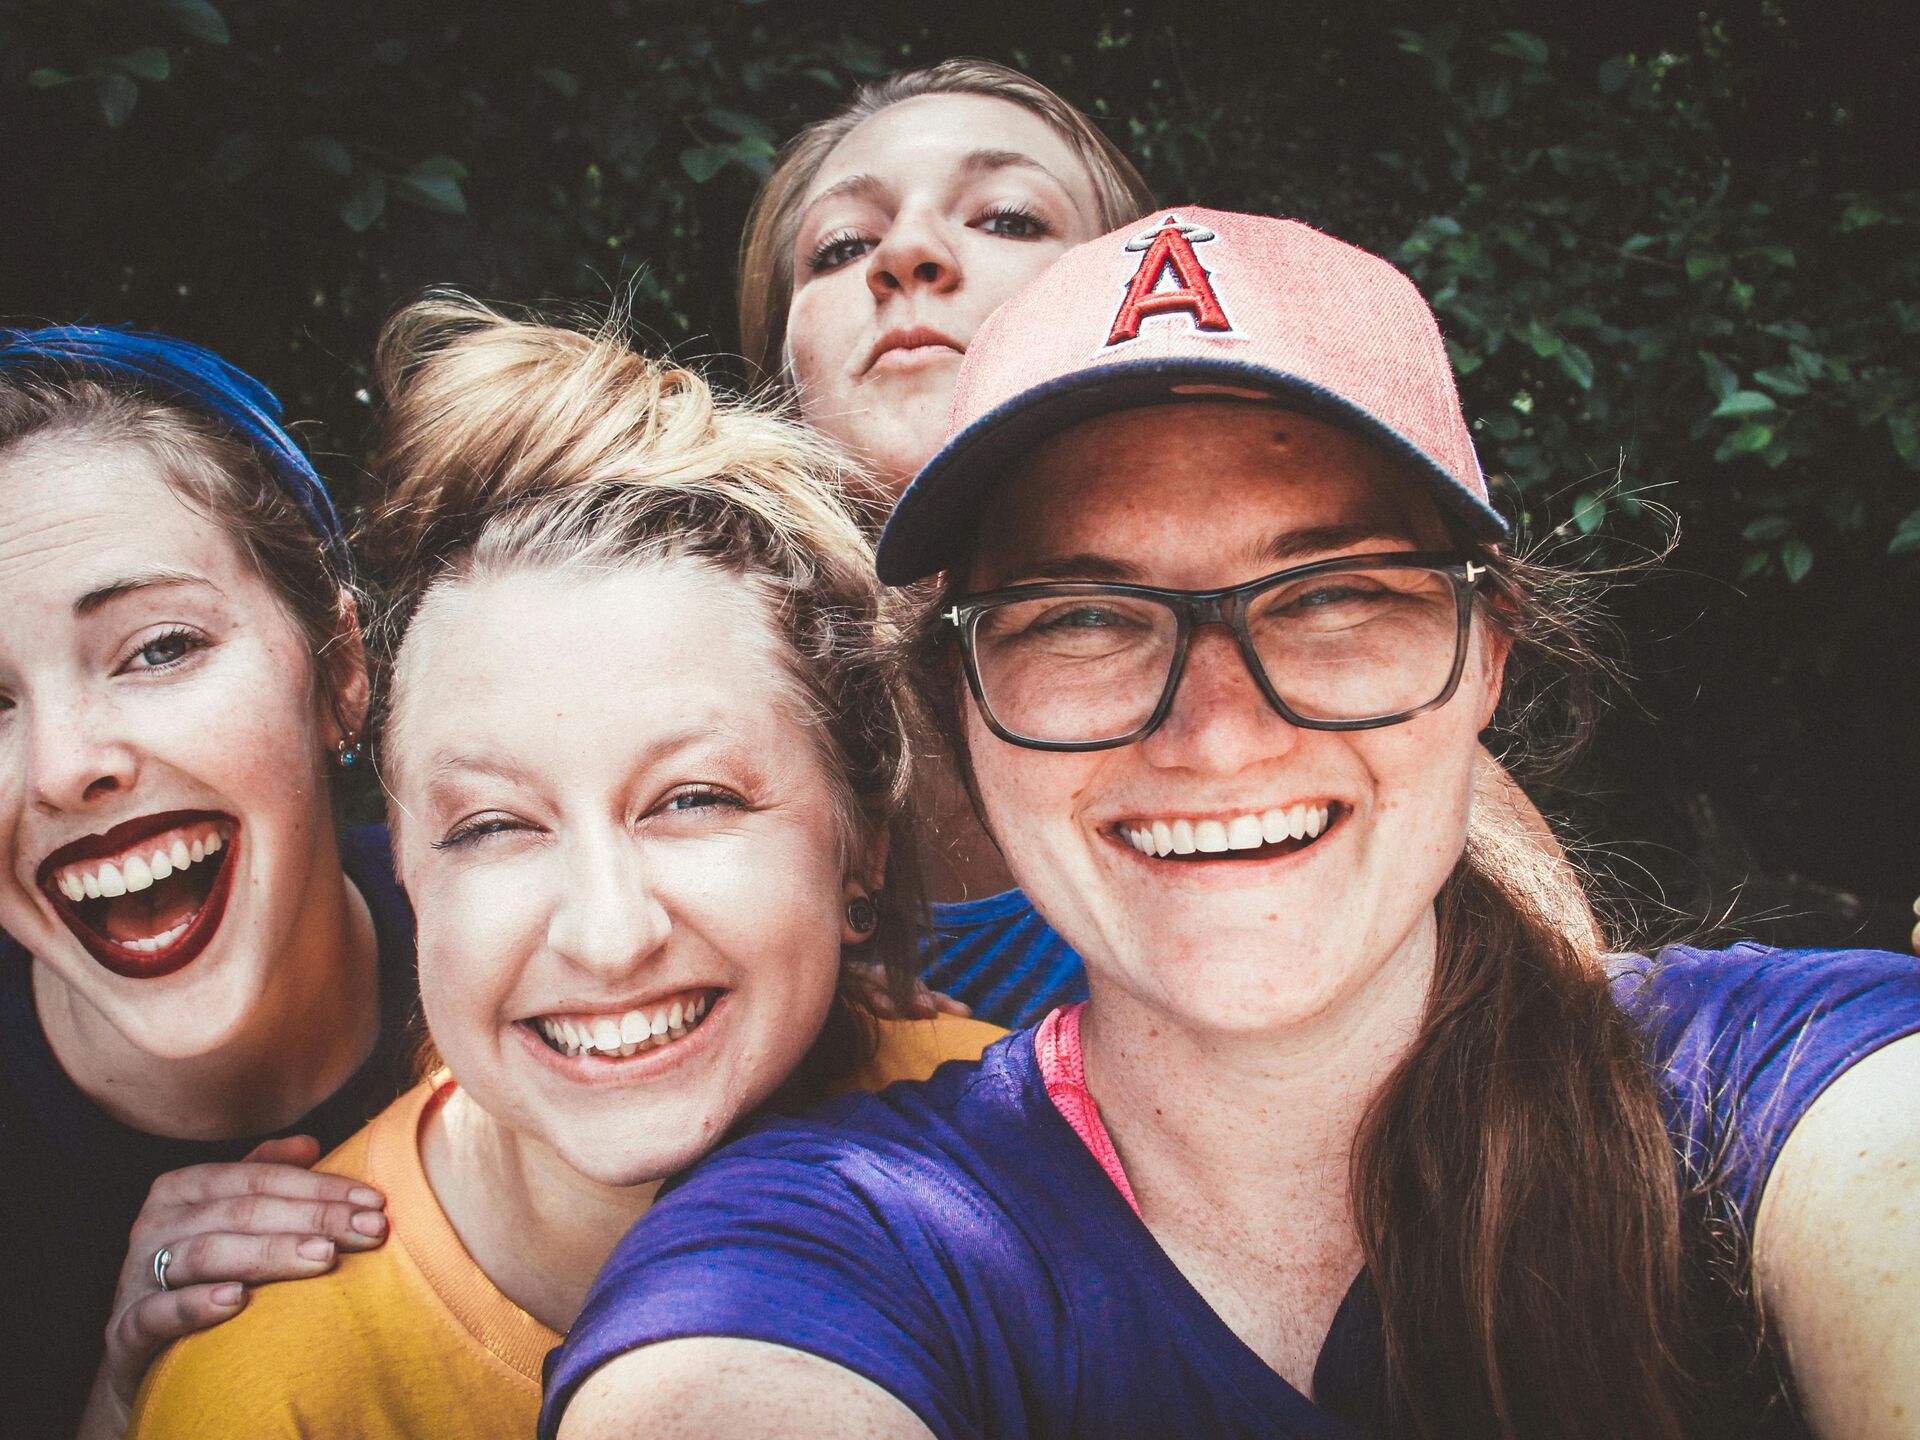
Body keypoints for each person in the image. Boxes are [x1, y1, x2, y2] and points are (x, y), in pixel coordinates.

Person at [544, 210, 1920, 1438]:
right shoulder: (837, 1246)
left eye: (1331, 594)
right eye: (1083, 616)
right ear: (959, 701)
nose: (1216, 731)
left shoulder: (1780, 1088)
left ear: (1487, 650)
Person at [126, 297, 1000, 1438]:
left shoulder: (1039, 1152)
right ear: (408, 873)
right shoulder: (265, 1386)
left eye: (693, 800)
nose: (607, 933)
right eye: (493, 826)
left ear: (861, 847)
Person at [740, 59, 1596, 1028]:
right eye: (841, 246)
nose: (907, 255)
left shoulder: (1382, 752)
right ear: (779, 375)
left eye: (1009, 218)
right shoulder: (701, 717)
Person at [0, 328, 409, 1440]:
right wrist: (128, 1401)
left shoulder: (537, 936)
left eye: (159, 647)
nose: (62, 768)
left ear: (338, 669)